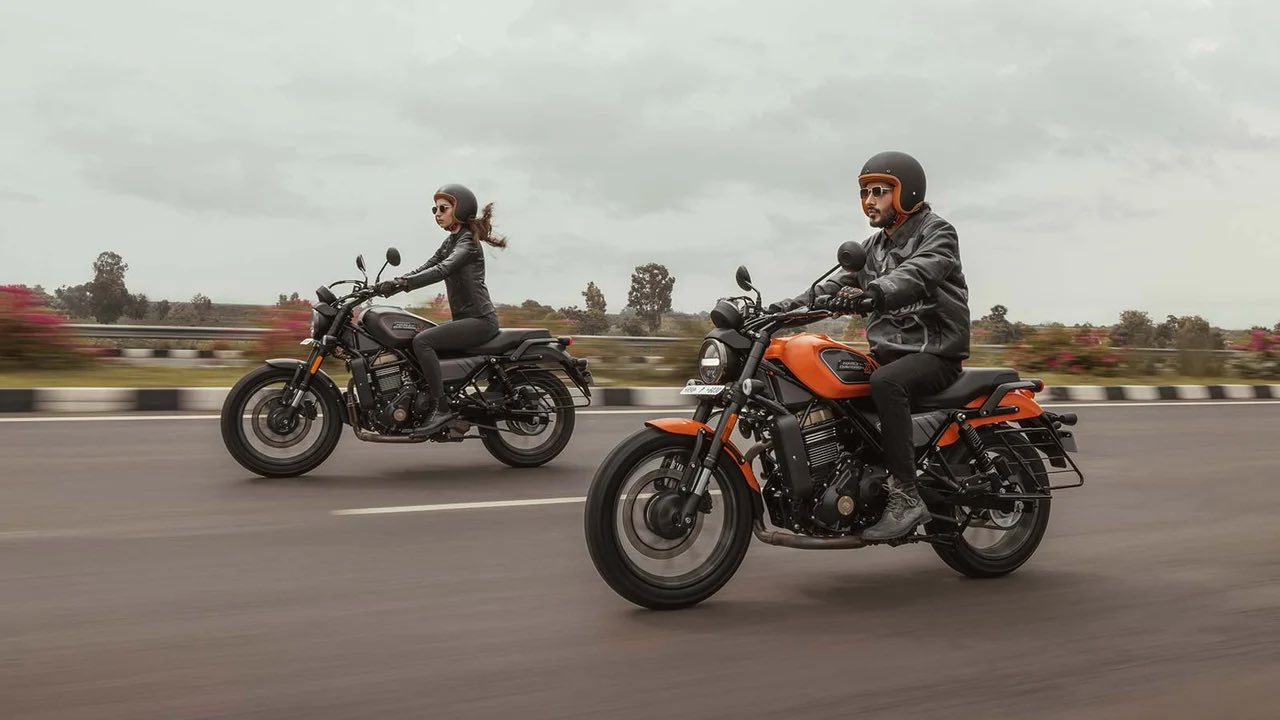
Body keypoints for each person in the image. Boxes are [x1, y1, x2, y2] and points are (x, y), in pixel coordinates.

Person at [769, 151, 971, 540]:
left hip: (934, 353)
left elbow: (918, 272)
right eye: (864, 192)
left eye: (879, 191)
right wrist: (776, 312)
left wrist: (875, 292)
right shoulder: (871, 248)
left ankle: (906, 497)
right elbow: (827, 290)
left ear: (906, 193)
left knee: (886, 383)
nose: (869, 201)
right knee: (836, 389)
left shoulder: (937, 233)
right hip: (887, 355)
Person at [374, 183, 506, 436]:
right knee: (415, 341)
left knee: (422, 341)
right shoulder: (451, 242)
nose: (437, 213)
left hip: (480, 320)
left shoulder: (467, 243)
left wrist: (403, 285)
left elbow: (442, 269)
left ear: (460, 209)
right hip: (466, 321)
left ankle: (441, 409)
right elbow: (427, 266)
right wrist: (391, 284)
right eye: (434, 209)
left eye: (443, 208)